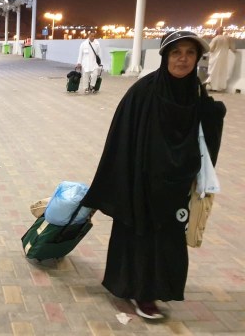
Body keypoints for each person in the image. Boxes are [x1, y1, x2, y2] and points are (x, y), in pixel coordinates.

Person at [81, 31, 226, 320]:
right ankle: (141, 294)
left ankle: (160, 289)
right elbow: (121, 137)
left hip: (177, 184)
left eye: (189, 53)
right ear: (164, 57)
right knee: (142, 237)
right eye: (176, 53)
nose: (183, 59)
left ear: (197, 58)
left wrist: (214, 113)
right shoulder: (144, 91)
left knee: (170, 240)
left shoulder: (195, 92)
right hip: (143, 183)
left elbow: (202, 133)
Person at [206, 27, 237, 92]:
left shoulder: (215, 39)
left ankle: (213, 87)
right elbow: (232, 48)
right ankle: (220, 87)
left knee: (214, 73)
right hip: (224, 58)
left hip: (215, 59)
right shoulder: (227, 38)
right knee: (222, 72)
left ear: (217, 31)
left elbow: (210, 49)